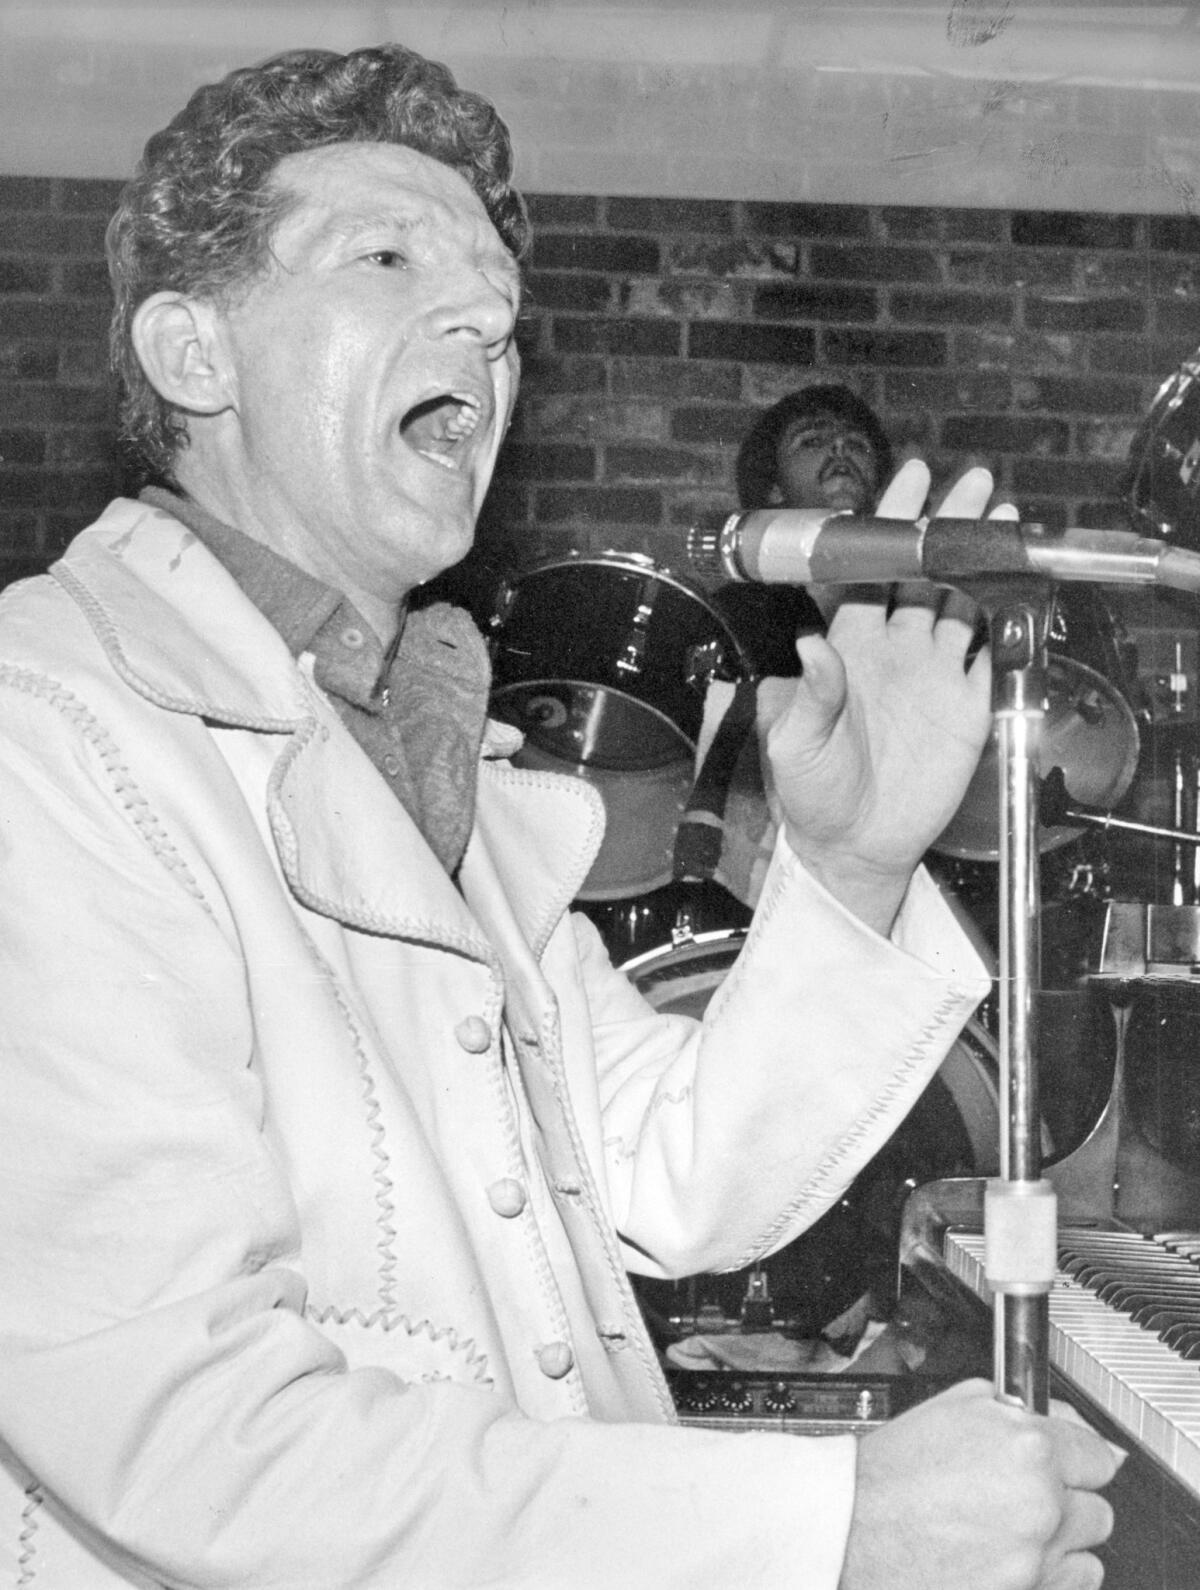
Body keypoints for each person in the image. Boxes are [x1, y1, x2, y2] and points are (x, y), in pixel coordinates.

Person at [0, 43, 1119, 1590]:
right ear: (194, 352)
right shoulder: (47, 726)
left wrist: (851, 863)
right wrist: (830, 1521)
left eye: (499, 306)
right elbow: (188, 1428)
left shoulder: (409, 748)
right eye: (387, 258)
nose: (482, 323)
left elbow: (669, 1178)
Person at [715, 384, 894, 676]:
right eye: (812, 441)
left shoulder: (913, 604)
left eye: (857, 444)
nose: (840, 449)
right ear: (773, 487)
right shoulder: (738, 613)